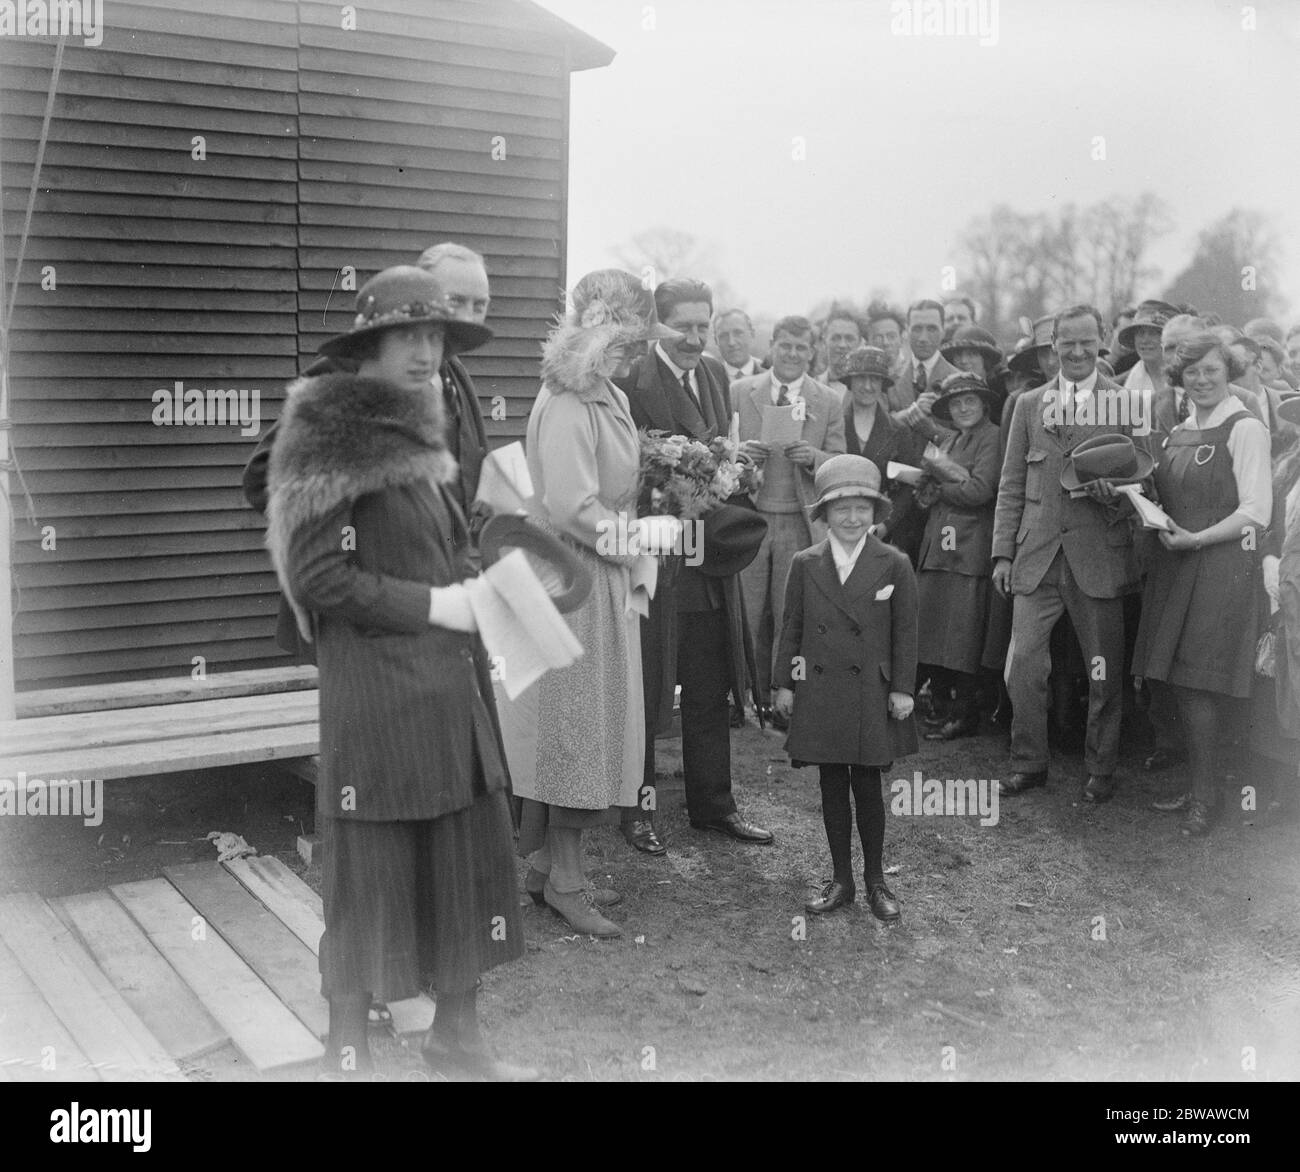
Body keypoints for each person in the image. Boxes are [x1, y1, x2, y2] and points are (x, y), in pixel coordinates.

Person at [265, 265, 532, 1081]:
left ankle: (458, 1037)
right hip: (379, 695)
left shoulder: (425, 427)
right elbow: (318, 578)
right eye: (408, 336)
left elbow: (436, 545)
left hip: (449, 687)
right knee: (370, 870)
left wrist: (486, 583)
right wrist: (436, 607)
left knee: (465, 856)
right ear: (369, 347)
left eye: (437, 336)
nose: (427, 352)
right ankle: (345, 1044)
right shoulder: (329, 431)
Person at [498, 269, 670, 935]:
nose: (637, 354)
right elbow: (572, 506)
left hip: (594, 575)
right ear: (598, 332)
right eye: (628, 341)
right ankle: (566, 883)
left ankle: (547, 866)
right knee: (576, 731)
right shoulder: (570, 399)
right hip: (573, 579)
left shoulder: (603, 392)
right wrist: (639, 541)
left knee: (590, 725)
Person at [243, 240, 497, 657]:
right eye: (455, 301)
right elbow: (265, 478)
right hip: (370, 625)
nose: (466, 317)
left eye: (480, 305)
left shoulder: (454, 376)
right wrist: (305, 567)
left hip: (443, 612)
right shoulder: (352, 377)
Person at [621, 278, 774, 849]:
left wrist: (735, 472)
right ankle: (635, 809)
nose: (692, 337)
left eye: (700, 326)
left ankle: (714, 805)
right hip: (652, 559)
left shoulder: (714, 374)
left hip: (706, 564)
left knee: (709, 689)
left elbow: (722, 451)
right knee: (647, 689)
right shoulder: (631, 379)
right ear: (657, 325)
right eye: (681, 325)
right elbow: (622, 472)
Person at [992, 304, 1150, 803]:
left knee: (1103, 670)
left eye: (1087, 342)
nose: (1077, 352)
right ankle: (1028, 763)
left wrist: (1117, 493)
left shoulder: (1125, 403)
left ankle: (1100, 770)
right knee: (1023, 668)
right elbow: (1012, 484)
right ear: (1052, 345)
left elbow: (1145, 482)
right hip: (1035, 558)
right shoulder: (1027, 404)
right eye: (1068, 342)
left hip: (1098, 558)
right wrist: (1001, 554)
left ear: (1101, 341)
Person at [1134, 333, 1272, 835]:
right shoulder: (1179, 431)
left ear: (1229, 369)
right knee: (1175, 678)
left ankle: (1207, 799)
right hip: (1178, 563)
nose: (1201, 379)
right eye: (1191, 372)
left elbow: (1257, 511)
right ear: (1180, 377)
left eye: (1211, 369)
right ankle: (1199, 788)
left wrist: (1196, 540)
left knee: (1199, 682)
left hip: (1221, 567)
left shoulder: (1245, 427)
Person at [772, 455, 918, 922]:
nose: (852, 518)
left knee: (868, 786)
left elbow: (906, 633)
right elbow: (791, 626)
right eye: (841, 509)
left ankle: (877, 879)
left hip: (871, 693)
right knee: (832, 783)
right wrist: (784, 683)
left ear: (875, 513)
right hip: (819, 690)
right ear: (824, 515)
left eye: (861, 509)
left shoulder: (894, 563)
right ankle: (842, 879)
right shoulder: (806, 562)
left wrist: (903, 688)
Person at [733, 314, 846, 728]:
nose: (793, 354)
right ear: (772, 346)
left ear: (812, 352)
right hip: (750, 519)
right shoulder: (741, 392)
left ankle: (785, 701)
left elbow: (840, 459)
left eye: (801, 347)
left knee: (789, 614)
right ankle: (742, 697)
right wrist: (741, 452)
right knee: (745, 611)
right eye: (785, 345)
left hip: (799, 523)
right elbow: (720, 448)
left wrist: (813, 458)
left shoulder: (827, 400)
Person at [915, 373, 1002, 741]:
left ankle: (965, 712)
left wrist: (941, 491)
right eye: (955, 403)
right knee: (936, 628)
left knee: (964, 632)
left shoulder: (992, 437)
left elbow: (981, 489)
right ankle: (943, 703)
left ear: (984, 404)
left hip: (969, 547)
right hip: (940, 546)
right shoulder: (950, 438)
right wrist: (925, 491)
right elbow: (944, 486)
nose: (963, 408)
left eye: (970, 400)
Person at [836, 345, 925, 551]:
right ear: (850, 382)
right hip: (839, 525)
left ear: (883, 384)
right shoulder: (836, 425)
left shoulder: (898, 431)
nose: (868, 386)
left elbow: (908, 486)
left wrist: (885, 525)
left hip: (881, 533)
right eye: (861, 378)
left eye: (874, 379)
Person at [821, 305, 865, 402]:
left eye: (849, 338)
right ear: (824, 342)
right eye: (835, 338)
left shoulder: (871, 390)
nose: (842, 345)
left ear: (860, 344)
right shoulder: (810, 388)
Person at [713, 307, 764, 380]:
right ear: (716, 341)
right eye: (724, 336)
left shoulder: (771, 376)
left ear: (752, 334)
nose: (731, 342)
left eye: (738, 333)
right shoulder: (709, 379)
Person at [866, 302, 908, 380]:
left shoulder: (912, 372)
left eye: (891, 336)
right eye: (878, 338)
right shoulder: (863, 375)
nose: (885, 343)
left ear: (901, 340)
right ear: (868, 343)